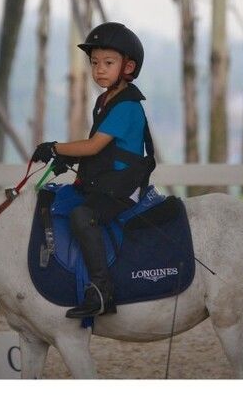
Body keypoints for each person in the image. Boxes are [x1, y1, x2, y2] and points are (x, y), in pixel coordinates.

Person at [31, 22, 156, 318]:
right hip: (106, 181)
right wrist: (68, 161)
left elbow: (93, 147)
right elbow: (103, 150)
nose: (99, 69)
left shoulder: (126, 106)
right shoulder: (104, 100)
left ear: (128, 67)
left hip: (124, 186)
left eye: (108, 63)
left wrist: (55, 148)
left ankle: (102, 290)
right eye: (95, 63)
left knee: (82, 215)